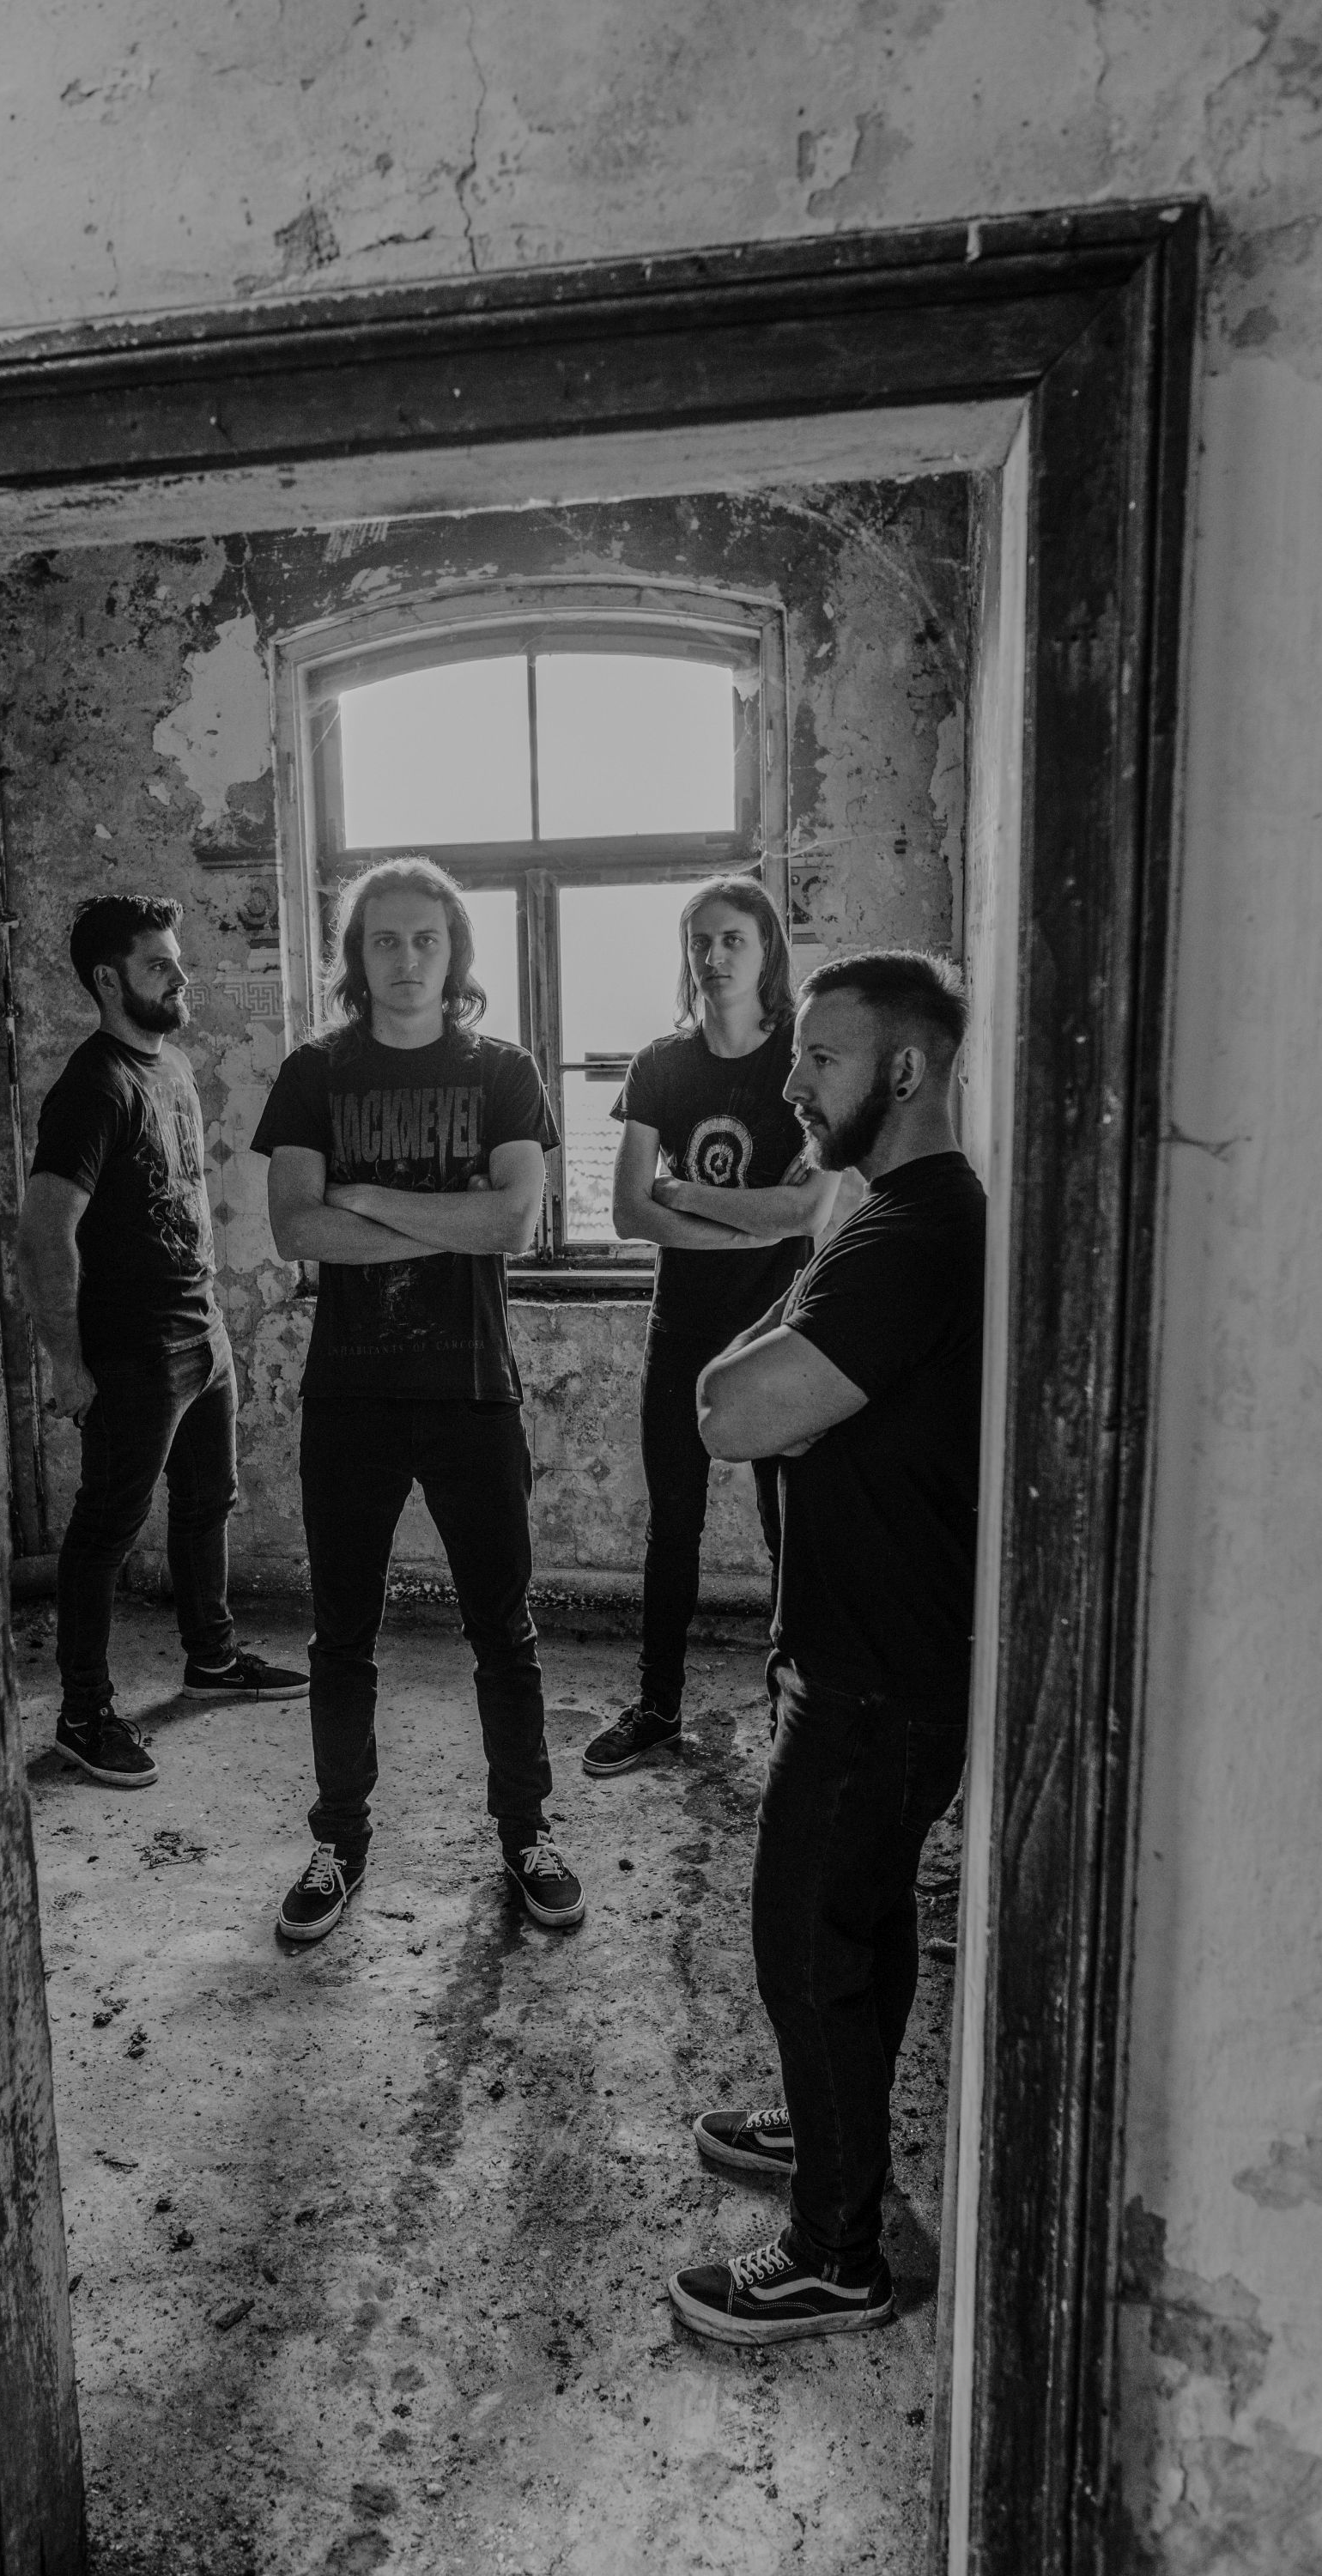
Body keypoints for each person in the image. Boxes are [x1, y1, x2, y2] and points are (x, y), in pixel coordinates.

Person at [667, 948, 984, 2348]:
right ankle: (829, 2127)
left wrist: (744, 1362)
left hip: (874, 1678)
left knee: (806, 1946)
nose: (792, 1081)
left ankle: (832, 2259)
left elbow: (734, 1413)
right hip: (876, 1655)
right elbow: (780, 1381)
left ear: (904, 1070)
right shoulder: (890, 1217)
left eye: (822, 1057)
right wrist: (786, 1325)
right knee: (858, 1929)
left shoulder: (911, 1236)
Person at [250, 856, 585, 1944]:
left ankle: (525, 1832)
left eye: (424, 940)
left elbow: (511, 1225)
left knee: (503, 1630)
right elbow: (295, 1230)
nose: (405, 959)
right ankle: (338, 1842)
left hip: (471, 1389)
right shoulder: (313, 1072)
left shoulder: (503, 1071)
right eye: (384, 940)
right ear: (357, 955)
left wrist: (363, 1195)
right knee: (340, 1636)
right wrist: (446, 1213)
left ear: (453, 953)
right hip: (349, 1394)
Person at [16, 895, 306, 1791]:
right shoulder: (91, 1086)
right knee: (105, 1530)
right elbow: (43, 1234)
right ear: (109, 981)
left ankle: (210, 1659)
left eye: (175, 961)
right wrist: (68, 1364)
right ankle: (82, 1715)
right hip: (134, 1352)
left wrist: (209, 1318)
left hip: (199, 1332)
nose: (180, 977)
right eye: (158, 965)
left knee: (206, 1501)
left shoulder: (169, 1063)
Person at [584, 877, 834, 1779]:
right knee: (672, 1528)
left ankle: (794, 1709)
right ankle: (656, 1706)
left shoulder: (801, 1062)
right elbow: (627, 1211)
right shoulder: (662, 1063)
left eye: (732, 939)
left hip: (779, 1330)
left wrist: (683, 1193)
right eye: (699, 941)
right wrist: (746, 1222)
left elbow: (804, 1210)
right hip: (682, 1328)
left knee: (786, 1530)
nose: (713, 956)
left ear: (766, 951)